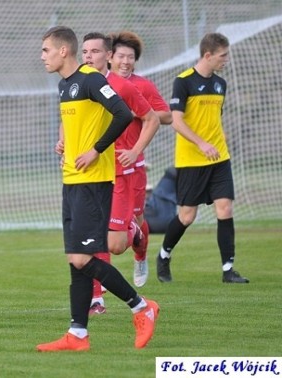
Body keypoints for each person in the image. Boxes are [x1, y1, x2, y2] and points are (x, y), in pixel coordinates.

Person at [37, 26, 159, 352]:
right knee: (75, 260)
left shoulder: (91, 79)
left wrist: (96, 150)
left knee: (82, 257)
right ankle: (77, 334)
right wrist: (67, 141)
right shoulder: (66, 86)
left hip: (93, 182)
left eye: (46, 50)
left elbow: (122, 113)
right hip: (72, 181)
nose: (42, 57)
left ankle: (141, 306)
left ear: (64, 51)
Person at [155, 32, 249, 284]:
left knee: (225, 208)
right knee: (187, 216)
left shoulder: (221, 84)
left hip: (219, 158)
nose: (226, 60)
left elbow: (213, 119)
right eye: (222, 55)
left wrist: (219, 138)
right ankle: (163, 256)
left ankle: (228, 270)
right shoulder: (183, 81)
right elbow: (176, 121)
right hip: (191, 160)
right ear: (208, 55)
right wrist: (201, 143)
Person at [79, 32, 160, 315]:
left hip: (121, 173)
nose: (89, 56)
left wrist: (136, 150)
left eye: (95, 51)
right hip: (89, 173)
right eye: (85, 51)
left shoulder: (123, 87)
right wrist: (63, 139)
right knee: (92, 237)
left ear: (107, 56)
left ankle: (134, 234)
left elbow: (153, 118)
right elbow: (69, 116)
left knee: (114, 245)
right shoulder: (76, 83)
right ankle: (96, 300)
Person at [108, 30, 173, 286]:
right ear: (110, 57)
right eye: (121, 56)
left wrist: (138, 111)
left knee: (136, 220)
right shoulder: (99, 84)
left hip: (133, 166)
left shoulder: (142, 85)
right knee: (102, 226)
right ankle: (99, 284)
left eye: (131, 57)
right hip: (103, 166)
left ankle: (141, 254)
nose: (125, 61)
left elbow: (165, 116)